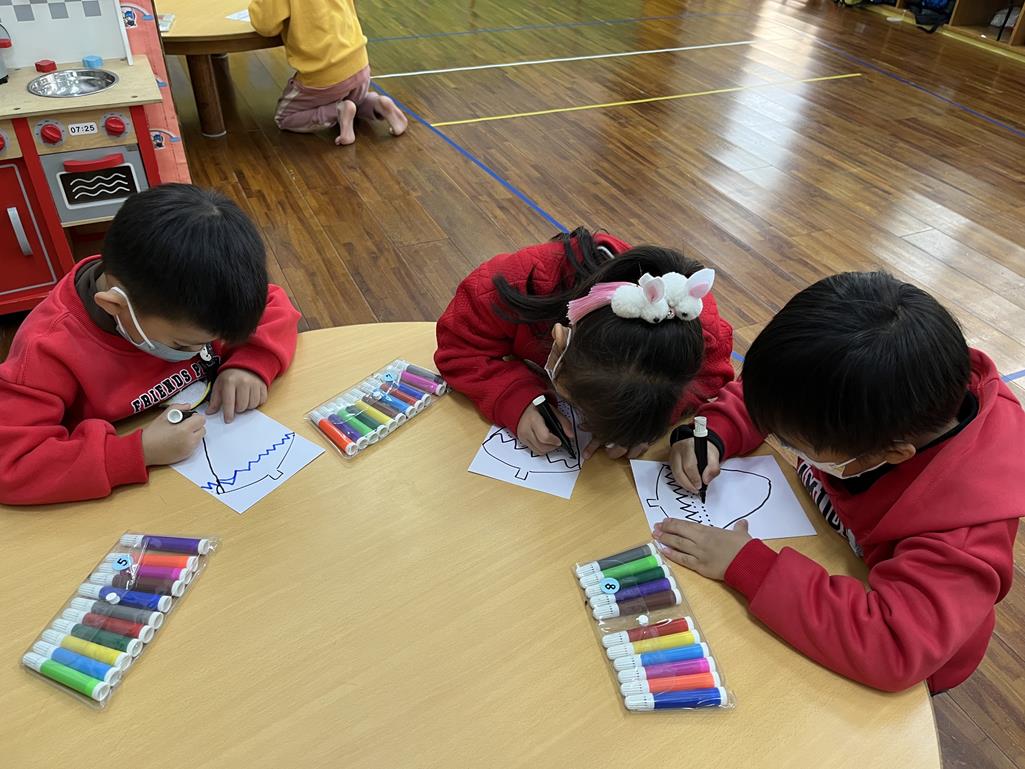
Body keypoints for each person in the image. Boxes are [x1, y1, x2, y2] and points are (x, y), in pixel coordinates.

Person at [657, 271, 1024, 692]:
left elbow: (892, 645)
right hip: (830, 560)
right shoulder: (872, 400)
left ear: (893, 454)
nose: (784, 441)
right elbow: (779, 399)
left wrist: (746, 564)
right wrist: (712, 433)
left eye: (793, 443)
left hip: (892, 666)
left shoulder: (962, 531)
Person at [0, 184, 301, 506]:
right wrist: (138, 452)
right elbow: (12, 466)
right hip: (125, 496)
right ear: (115, 306)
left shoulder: (196, 294)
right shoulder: (46, 349)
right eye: (182, 344)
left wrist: (252, 362)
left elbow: (273, 302)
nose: (201, 349)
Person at [436, 228, 735, 459]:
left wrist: (641, 422)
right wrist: (515, 398)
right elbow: (459, 346)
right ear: (559, 341)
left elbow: (710, 379)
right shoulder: (518, 282)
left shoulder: (695, 325)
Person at [249, 0, 408, 145]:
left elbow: (265, 25)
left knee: (284, 117)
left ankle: (338, 111)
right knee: (347, 96)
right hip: (360, 65)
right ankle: (376, 104)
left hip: (325, 75)